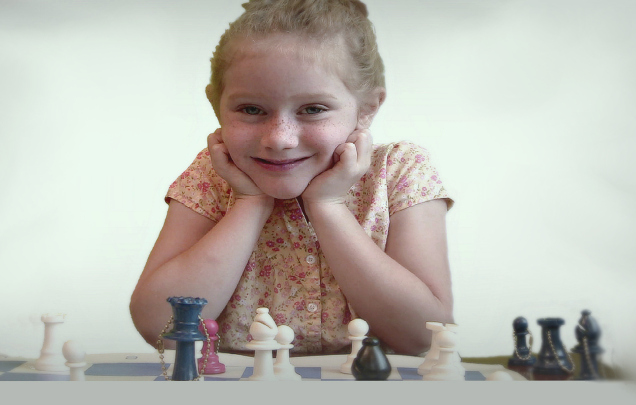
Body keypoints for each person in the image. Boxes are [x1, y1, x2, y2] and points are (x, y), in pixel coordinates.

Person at [130, 0, 453, 356]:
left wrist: (328, 207)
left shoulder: (401, 171)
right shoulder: (211, 175)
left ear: (367, 108)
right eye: (251, 109)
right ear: (215, 104)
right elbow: (158, 326)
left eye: (313, 110)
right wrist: (249, 203)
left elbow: (425, 336)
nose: (279, 139)